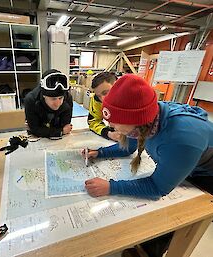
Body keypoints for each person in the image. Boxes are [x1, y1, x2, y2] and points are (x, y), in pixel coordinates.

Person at [83, 74, 213, 257]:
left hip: (207, 174)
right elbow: (128, 146)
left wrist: (111, 186)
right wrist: (100, 152)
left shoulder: (182, 137)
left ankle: (147, 252)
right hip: (185, 159)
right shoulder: (145, 118)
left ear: (137, 121)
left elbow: (157, 187)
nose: (114, 129)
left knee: (178, 216)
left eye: (117, 126)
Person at [24, 69, 73, 138]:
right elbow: (34, 129)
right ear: (44, 96)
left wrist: (59, 130)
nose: (58, 103)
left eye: (60, 98)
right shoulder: (31, 100)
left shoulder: (68, 98)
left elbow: (65, 126)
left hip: (53, 128)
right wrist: (60, 131)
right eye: (53, 99)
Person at [88, 72, 120, 141]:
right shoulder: (96, 100)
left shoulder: (131, 97)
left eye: (105, 93)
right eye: (99, 96)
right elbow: (93, 122)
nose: (103, 99)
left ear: (118, 86)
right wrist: (108, 133)